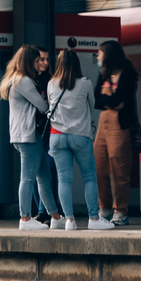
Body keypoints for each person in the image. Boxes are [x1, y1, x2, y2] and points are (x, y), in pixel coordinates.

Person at [47, 50, 109, 230]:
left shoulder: (51, 83)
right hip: (80, 135)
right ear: (76, 63)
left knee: (64, 180)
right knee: (90, 178)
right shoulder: (85, 83)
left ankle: (69, 220)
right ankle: (93, 219)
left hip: (57, 136)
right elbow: (91, 105)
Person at [0, 46, 55, 231]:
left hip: (26, 134)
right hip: (28, 135)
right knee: (28, 178)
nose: (40, 63)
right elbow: (41, 106)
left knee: (44, 176)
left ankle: (55, 216)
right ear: (28, 61)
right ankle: (25, 218)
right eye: (36, 59)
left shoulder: (14, 79)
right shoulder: (23, 81)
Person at [93, 40, 138, 226]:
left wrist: (108, 100)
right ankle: (104, 208)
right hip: (103, 124)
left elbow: (119, 99)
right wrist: (109, 100)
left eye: (100, 53)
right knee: (99, 164)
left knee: (119, 168)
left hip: (120, 125)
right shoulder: (103, 74)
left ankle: (121, 210)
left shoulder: (127, 73)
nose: (97, 56)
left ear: (109, 54)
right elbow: (95, 99)